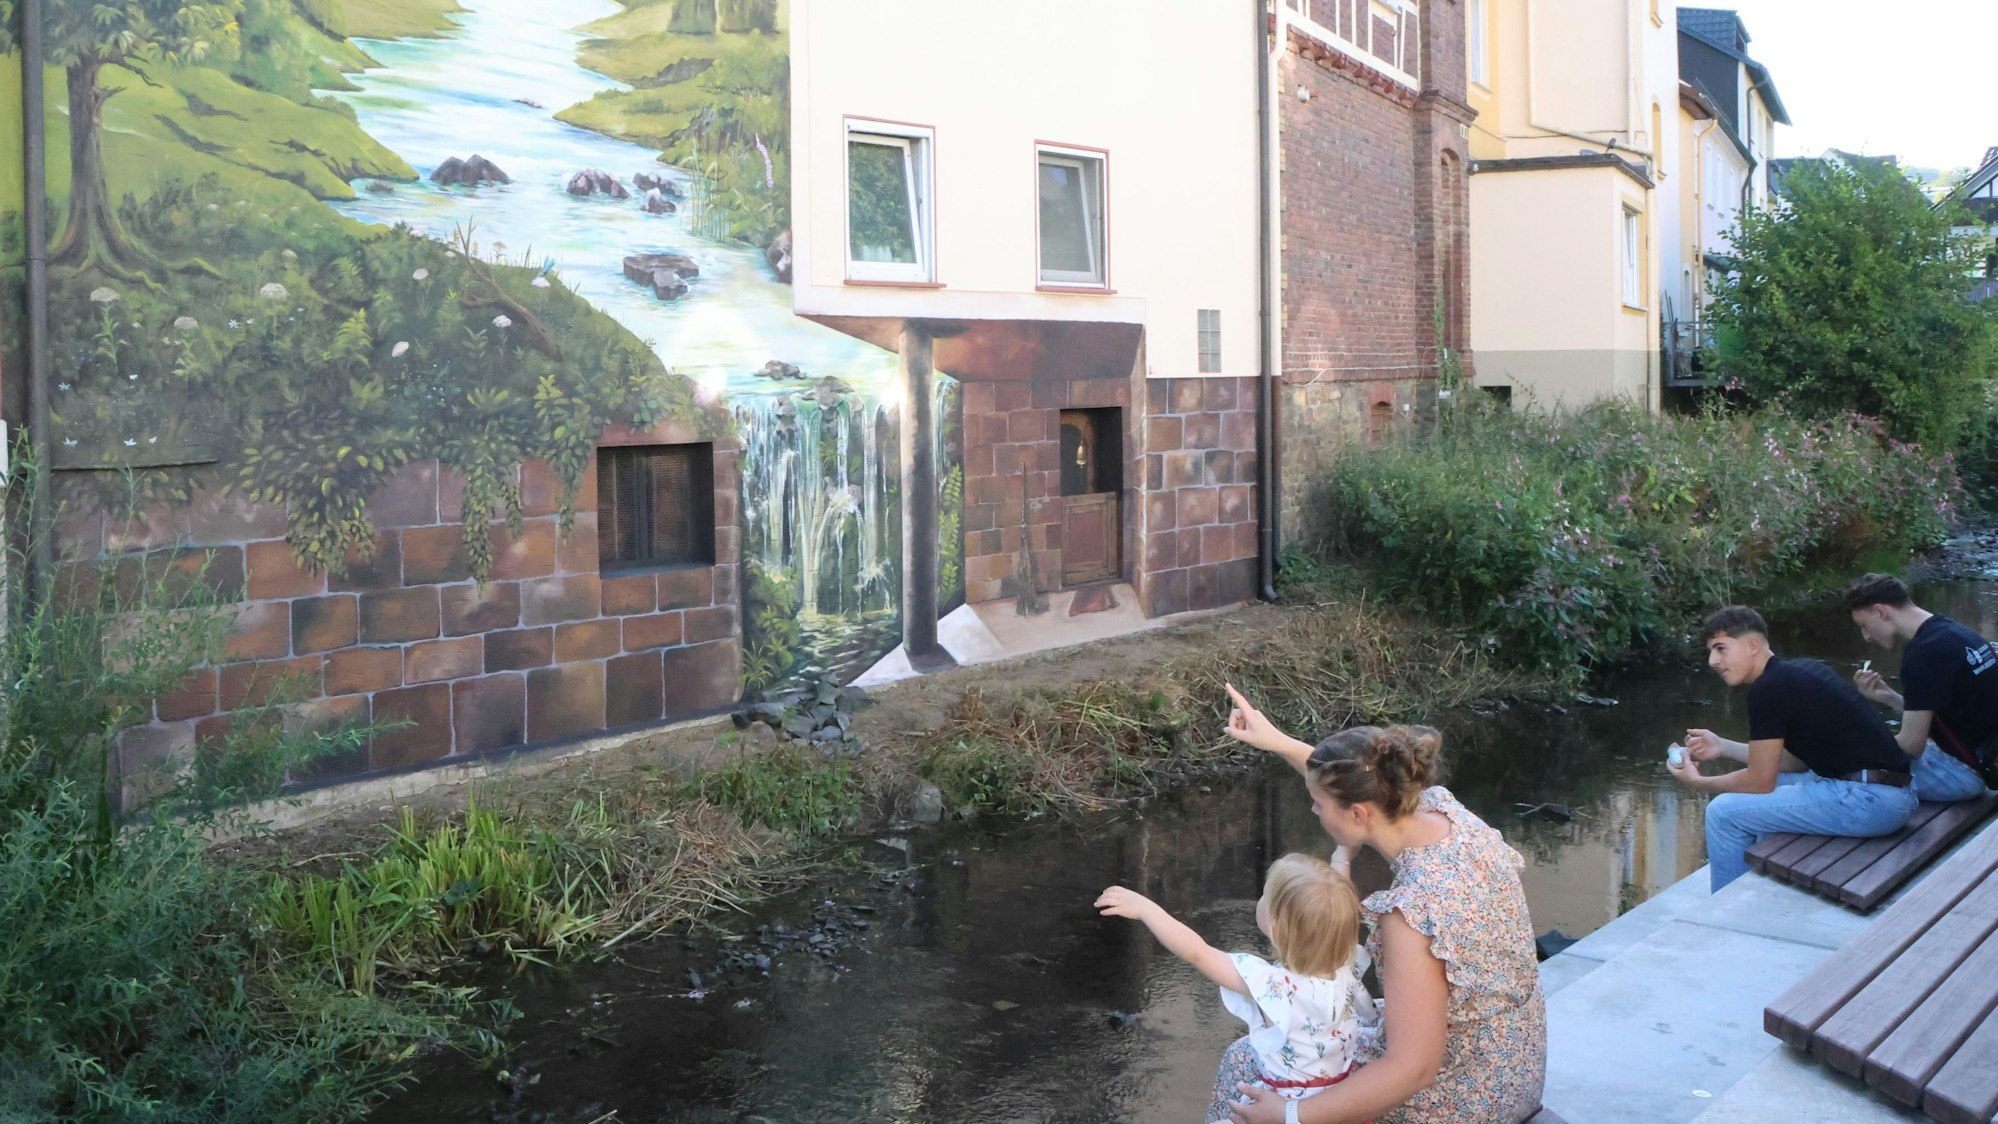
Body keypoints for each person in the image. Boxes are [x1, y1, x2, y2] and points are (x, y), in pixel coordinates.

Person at [1215, 685, 1546, 1124]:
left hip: (1468, 1094)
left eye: (1317, 804)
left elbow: (1415, 1069)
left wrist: (1292, 1114)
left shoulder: (1410, 913)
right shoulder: (1449, 816)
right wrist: (1275, 740)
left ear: (1358, 815)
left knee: (1247, 1064)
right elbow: (1357, 782)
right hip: (1515, 1057)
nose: (1314, 811)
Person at [1095, 854, 1374, 1124]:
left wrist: (1147, 909)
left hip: (1281, 1111)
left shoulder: (1275, 986)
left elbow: (1198, 953)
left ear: (1276, 927)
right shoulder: (1347, 967)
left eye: (1265, 894)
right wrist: (1343, 855)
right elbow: (1337, 905)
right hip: (1334, 1107)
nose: (1260, 898)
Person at [1670, 606, 1918, 893]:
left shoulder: (1769, 689)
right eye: (1711, 651)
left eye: (1721, 649)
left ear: (1752, 645)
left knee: (1723, 813)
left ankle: (1726, 912)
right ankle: (1757, 887)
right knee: (1771, 792)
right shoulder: (1801, 670)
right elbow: (1793, 764)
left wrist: (1699, 782)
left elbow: (1758, 782)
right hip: (1892, 794)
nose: (1713, 661)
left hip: (1869, 801)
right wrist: (1723, 746)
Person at [1844, 573, 1998, 801]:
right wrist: (1889, 697)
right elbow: (1952, 710)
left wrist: (1854, 748)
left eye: (1863, 625)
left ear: (1880, 611)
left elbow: (1910, 746)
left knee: (1841, 767)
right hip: (1984, 759)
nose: (1866, 636)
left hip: (1963, 776)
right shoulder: (1953, 632)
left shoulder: (1923, 654)